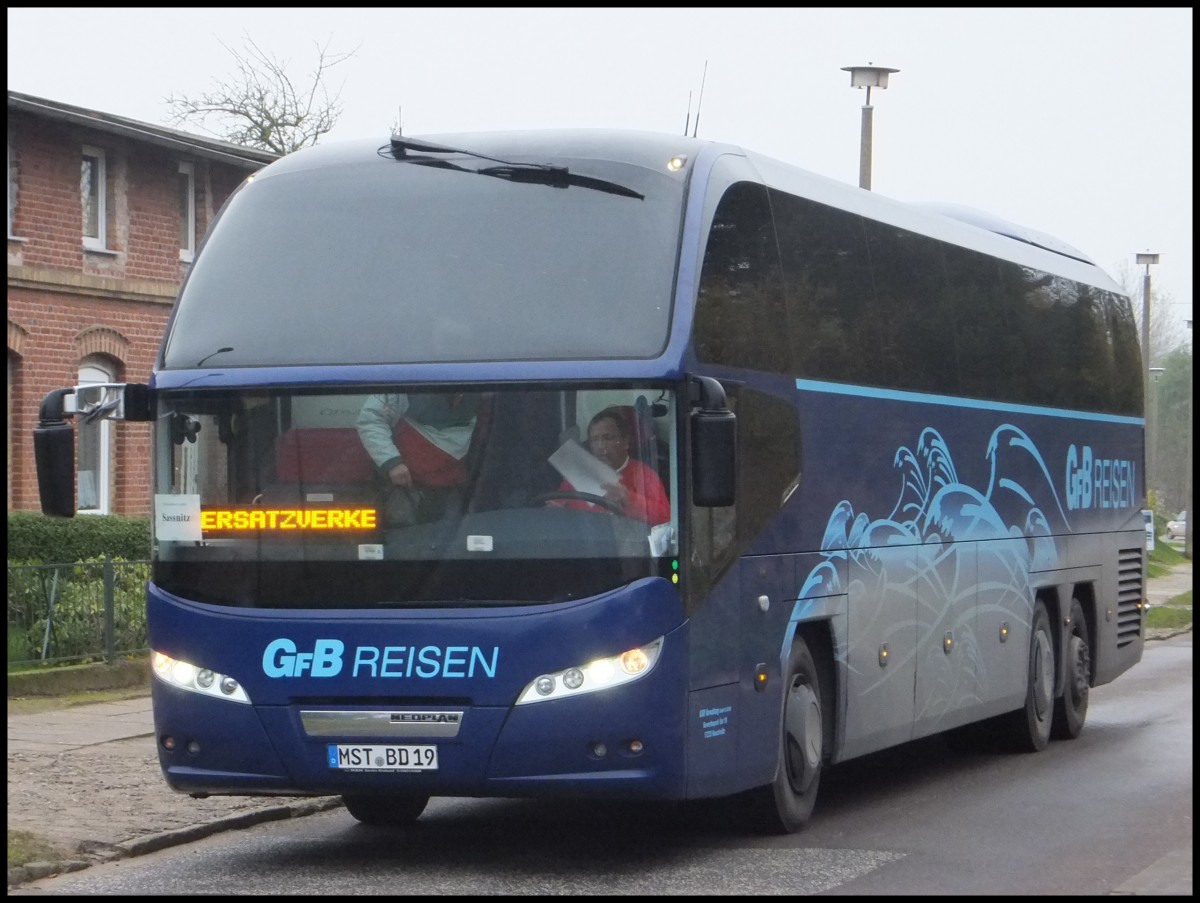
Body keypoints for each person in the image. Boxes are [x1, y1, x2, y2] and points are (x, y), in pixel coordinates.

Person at [356, 392, 482, 524]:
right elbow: (371, 420)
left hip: (460, 486)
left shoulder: (483, 378)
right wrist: (391, 463)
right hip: (409, 486)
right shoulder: (405, 376)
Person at [555, 406, 670, 526]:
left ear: (625, 441)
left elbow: (667, 519)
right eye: (595, 440)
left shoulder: (645, 475)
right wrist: (553, 509)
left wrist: (629, 499)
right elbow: (558, 506)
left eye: (608, 438)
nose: (601, 446)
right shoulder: (579, 475)